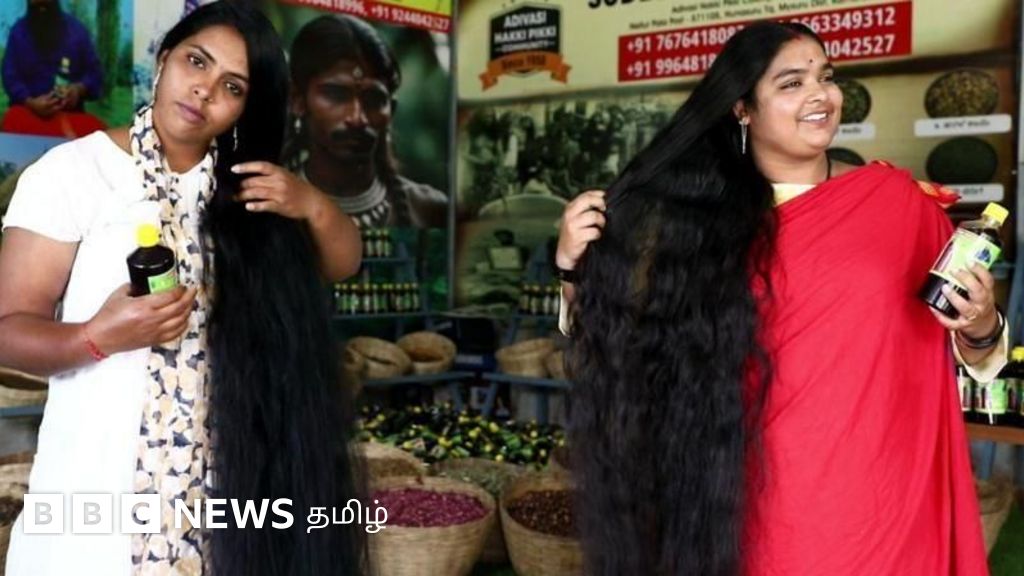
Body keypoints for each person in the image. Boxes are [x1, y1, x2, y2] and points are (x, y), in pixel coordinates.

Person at [555, 21, 1003, 576]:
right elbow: (624, 340)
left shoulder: (897, 204)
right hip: (748, 488)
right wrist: (571, 267)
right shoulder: (693, 221)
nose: (821, 95)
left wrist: (981, 323)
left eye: (826, 77)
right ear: (742, 108)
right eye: (792, 83)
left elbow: (974, 349)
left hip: (883, 485)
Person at [0, 2, 365, 574]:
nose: (204, 91)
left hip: (229, 499)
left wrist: (313, 204)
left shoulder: (247, 191)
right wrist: (95, 336)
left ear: (245, 107)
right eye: (196, 61)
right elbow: (8, 331)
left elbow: (344, 261)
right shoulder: (74, 174)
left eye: (232, 86)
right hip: (93, 502)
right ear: (165, 57)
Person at [284, 14, 447, 229]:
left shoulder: (430, 210)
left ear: (391, 110)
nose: (357, 118)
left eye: (374, 100)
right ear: (298, 101)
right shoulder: (263, 208)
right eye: (337, 95)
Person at [0, 0, 106, 137]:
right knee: (12, 121)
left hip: (69, 119)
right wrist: (30, 102)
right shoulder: (18, 33)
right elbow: (10, 77)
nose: (41, 7)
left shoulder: (77, 32)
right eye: (36, 4)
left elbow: (95, 75)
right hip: (27, 117)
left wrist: (78, 89)